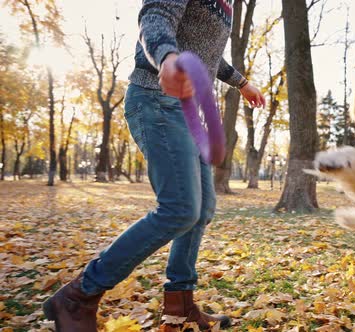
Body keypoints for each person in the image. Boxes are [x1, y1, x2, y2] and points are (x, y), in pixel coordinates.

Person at [42, 1, 265, 331]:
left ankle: (180, 303)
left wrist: (242, 82)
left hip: (186, 112)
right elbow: (156, 16)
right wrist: (167, 58)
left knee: (201, 209)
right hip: (154, 98)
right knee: (180, 208)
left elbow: (204, 53)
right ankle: (78, 295)